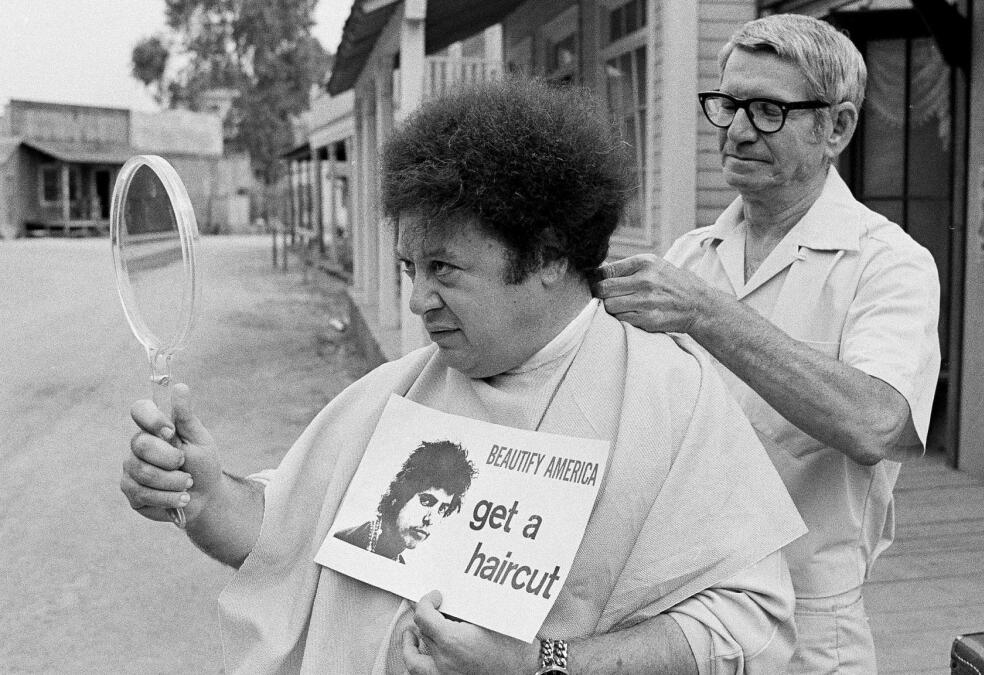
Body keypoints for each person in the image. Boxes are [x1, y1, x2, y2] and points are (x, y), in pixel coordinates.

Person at [120, 76, 807, 675]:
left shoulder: (670, 400)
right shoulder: (392, 394)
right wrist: (205, 493)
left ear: (547, 257)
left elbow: (748, 624)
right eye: (409, 268)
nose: (418, 300)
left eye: (443, 269)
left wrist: (542, 664)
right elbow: (283, 539)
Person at [593, 14, 941, 674]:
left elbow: (879, 423)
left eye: (768, 110)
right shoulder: (689, 256)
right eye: (727, 104)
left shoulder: (888, 261)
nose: (736, 128)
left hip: (808, 623)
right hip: (681, 614)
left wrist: (707, 314)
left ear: (836, 127)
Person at [333, 440, 476, 563]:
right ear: (399, 496)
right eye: (426, 501)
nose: (430, 519)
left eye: (443, 509)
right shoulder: (345, 541)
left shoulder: (399, 567)